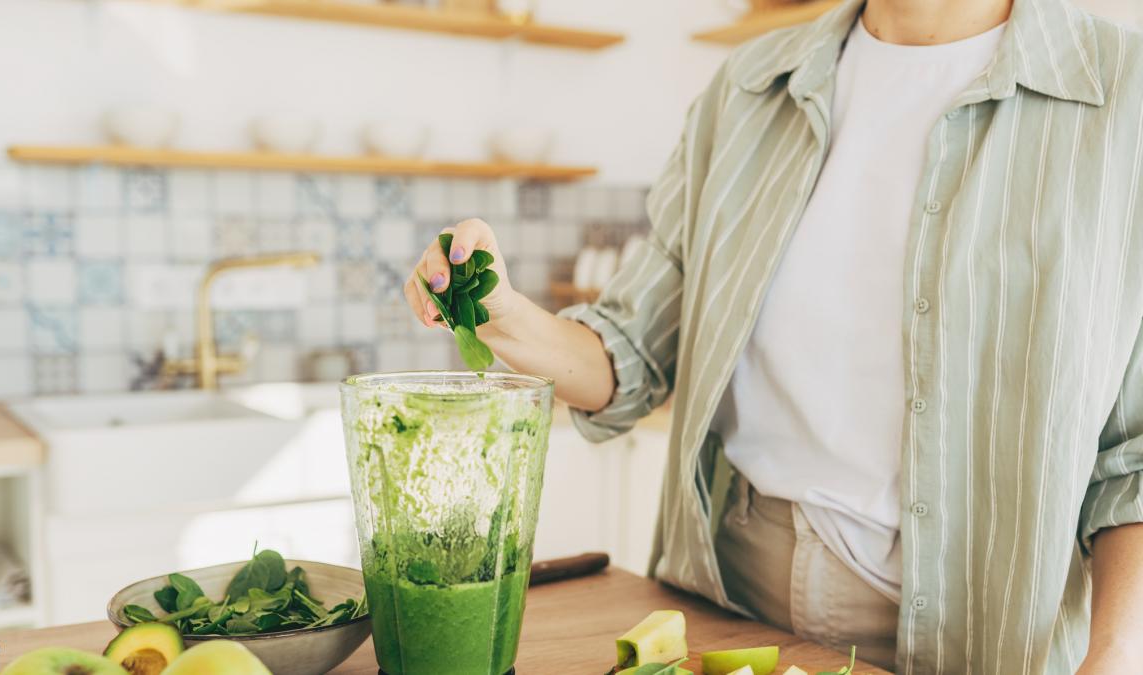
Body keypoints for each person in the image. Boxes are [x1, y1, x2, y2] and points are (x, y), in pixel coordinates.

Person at [403, 0, 1143, 671]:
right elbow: (628, 353)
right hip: (727, 602)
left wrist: (1111, 656)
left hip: (984, 637)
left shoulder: (1123, 96)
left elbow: (1133, 461)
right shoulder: (750, 87)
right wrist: (503, 313)